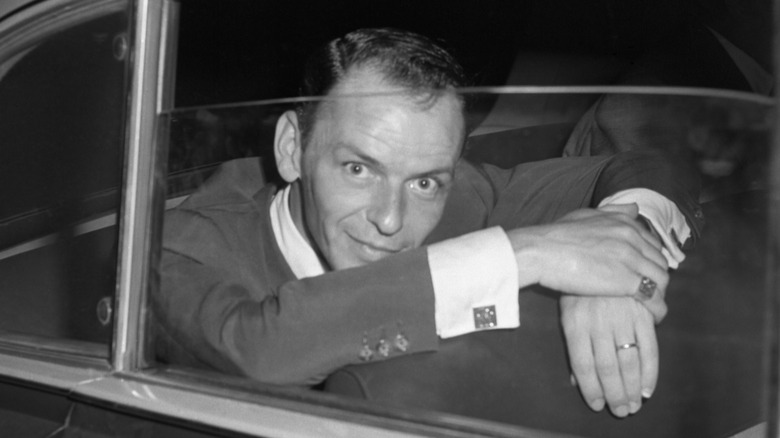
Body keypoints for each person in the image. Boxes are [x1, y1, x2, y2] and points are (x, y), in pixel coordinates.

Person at [154, 28, 703, 419]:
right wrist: (528, 254)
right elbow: (258, 356)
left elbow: (645, 168)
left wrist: (617, 262)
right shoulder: (178, 247)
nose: (391, 220)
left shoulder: (459, 195)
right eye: (357, 168)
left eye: (424, 182)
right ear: (293, 149)